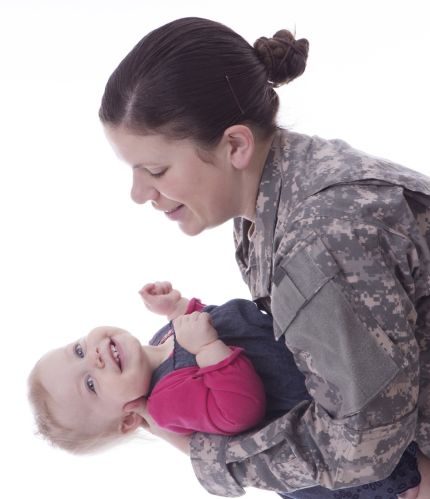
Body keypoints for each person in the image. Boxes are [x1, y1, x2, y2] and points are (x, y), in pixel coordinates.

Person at [98, 16, 430, 498]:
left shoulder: (319, 236)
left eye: (155, 169)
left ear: (235, 144)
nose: (138, 193)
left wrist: (203, 456)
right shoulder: (270, 194)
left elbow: (363, 447)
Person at [29, 281, 424, 499]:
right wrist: (206, 349)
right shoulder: (167, 401)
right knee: (411, 474)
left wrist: (180, 307)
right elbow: (239, 410)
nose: (93, 357)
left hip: (332, 376)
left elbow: (226, 326)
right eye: (91, 385)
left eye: (78, 350)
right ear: (130, 417)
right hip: (329, 435)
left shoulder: (164, 335)